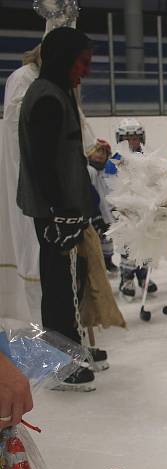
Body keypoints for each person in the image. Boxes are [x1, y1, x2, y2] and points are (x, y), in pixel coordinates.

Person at [16, 27, 96, 391]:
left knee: (71, 280)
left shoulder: (58, 91)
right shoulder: (47, 97)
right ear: (65, 58)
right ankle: (59, 363)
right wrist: (56, 211)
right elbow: (44, 162)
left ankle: (72, 348)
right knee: (59, 286)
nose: (87, 71)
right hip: (55, 212)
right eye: (83, 62)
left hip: (64, 209)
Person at [0, 45, 43, 323]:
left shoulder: (47, 81)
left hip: (45, 184)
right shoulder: (25, 78)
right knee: (33, 259)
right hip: (31, 183)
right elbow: (21, 129)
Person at [109, 118, 157, 297]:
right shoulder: (114, 162)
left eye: (135, 138)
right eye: (127, 138)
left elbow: (155, 182)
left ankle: (143, 276)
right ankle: (127, 278)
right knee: (127, 248)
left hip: (144, 211)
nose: (132, 142)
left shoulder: (147, 160)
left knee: (145, 244)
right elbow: (109, 187)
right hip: (124, 213)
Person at [86, 139, 117, 273]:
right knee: (95, 243)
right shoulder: (89, 171)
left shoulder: (104, 172)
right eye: (98, 151)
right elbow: (90, 196)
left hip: (106, 214)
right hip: (94, 216)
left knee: (107, 242)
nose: (100, 154)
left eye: (104, 152)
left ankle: (107, 261)